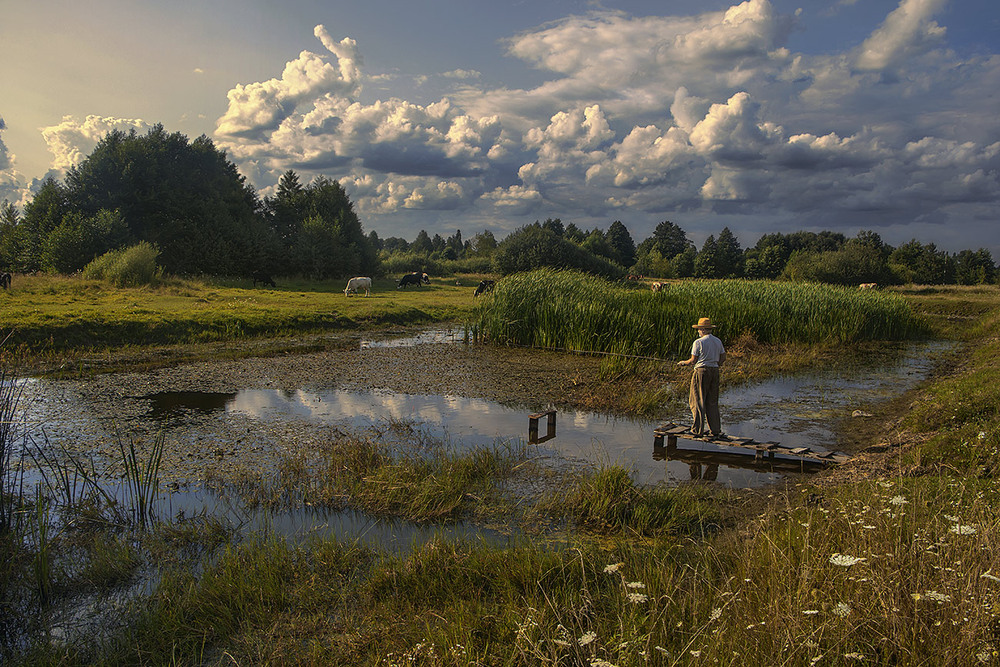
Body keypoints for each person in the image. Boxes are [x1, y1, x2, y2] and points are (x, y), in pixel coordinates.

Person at [677, 317, 726, 438]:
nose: (698, 331)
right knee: (712, 401)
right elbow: (723, 357)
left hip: (701, 372)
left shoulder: (698, 342)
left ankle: (697, 430)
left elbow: (693, 361)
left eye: (699, 329)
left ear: (703, 329)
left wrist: (683, 363)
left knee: (698, 400)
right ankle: (715, 430)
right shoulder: (717, 341)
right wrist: (715, 365)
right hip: (715, 371)